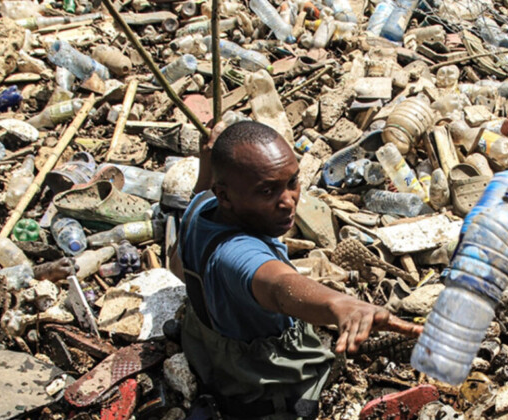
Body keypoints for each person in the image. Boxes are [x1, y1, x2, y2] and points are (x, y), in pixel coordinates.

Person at [171, 120, 422, 419]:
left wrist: (208, 164)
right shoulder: (236, 254)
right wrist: (342, 304)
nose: (288, 202)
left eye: (292, 182)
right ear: (224, 196)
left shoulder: (201, 207)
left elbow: (179, 260)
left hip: (208, 353)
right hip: (260, 388)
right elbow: (278, 287)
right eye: (267, 191)